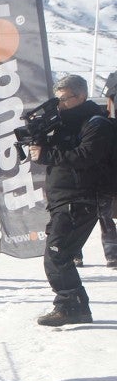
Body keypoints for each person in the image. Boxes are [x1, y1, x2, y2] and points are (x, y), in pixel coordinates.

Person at [28, 74, 115, 326]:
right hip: (63, 198)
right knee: (59, 254)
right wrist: (39, 138)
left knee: (57, 253)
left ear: (81, 96)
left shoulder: (97, 124)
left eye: (65, 99)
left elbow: (86, 155)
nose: (60, 104)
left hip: (81, 198)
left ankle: (70, 305)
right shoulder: (64, 125)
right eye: (59, 99)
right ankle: (73, 306)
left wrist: (47, 154)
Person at [75, 71, 117, 269]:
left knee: (101, 217)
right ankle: (78, 253)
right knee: (96, 217)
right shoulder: (99, 122)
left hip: (100, 178)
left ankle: (110, 255)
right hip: (93, 178)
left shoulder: (98, 122)